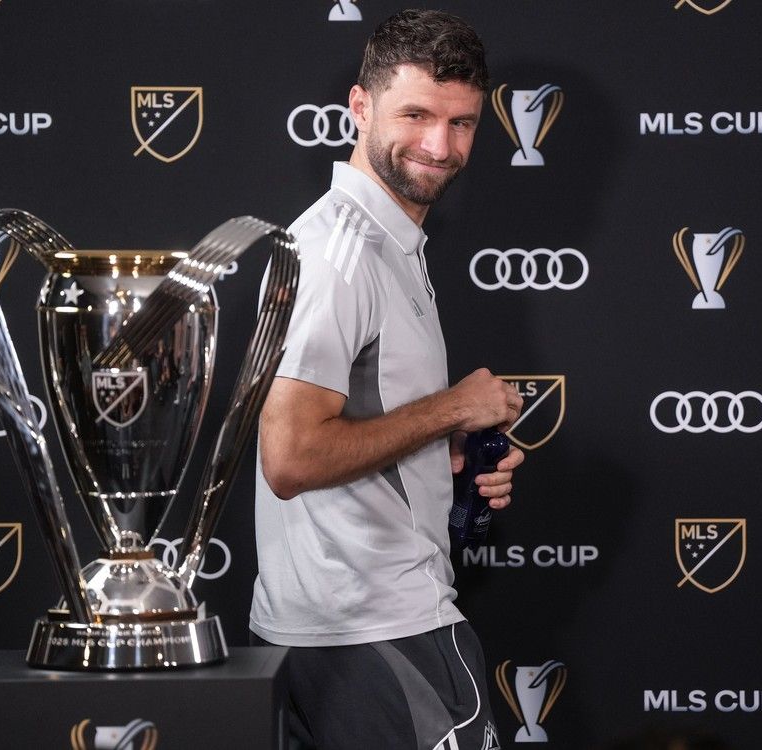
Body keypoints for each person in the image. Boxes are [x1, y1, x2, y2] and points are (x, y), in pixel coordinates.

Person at [251, 9, 525, 750]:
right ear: (360, 107)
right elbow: (291, 457)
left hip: (349, 629)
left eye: (462, 124)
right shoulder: (343, 253)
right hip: (378, 629)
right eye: (417, 115)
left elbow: (354, 428)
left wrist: (454, 458)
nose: (441, 146)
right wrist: (451, 409)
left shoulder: (387, 242)